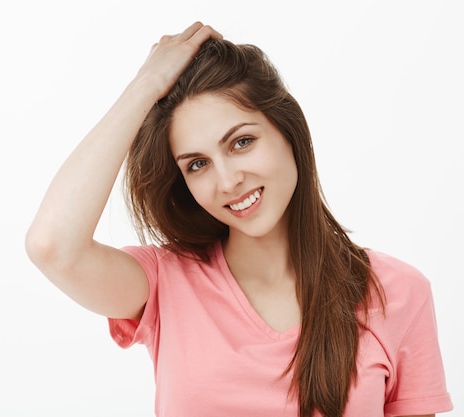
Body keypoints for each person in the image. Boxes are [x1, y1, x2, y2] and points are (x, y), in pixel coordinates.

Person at [25, 22, 453, 417]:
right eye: (197, 165)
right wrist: (145, 87)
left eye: (241, 142)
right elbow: (52, 246)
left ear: (289, 132)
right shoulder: (165, 283)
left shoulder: (398, 293)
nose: (228, 180)